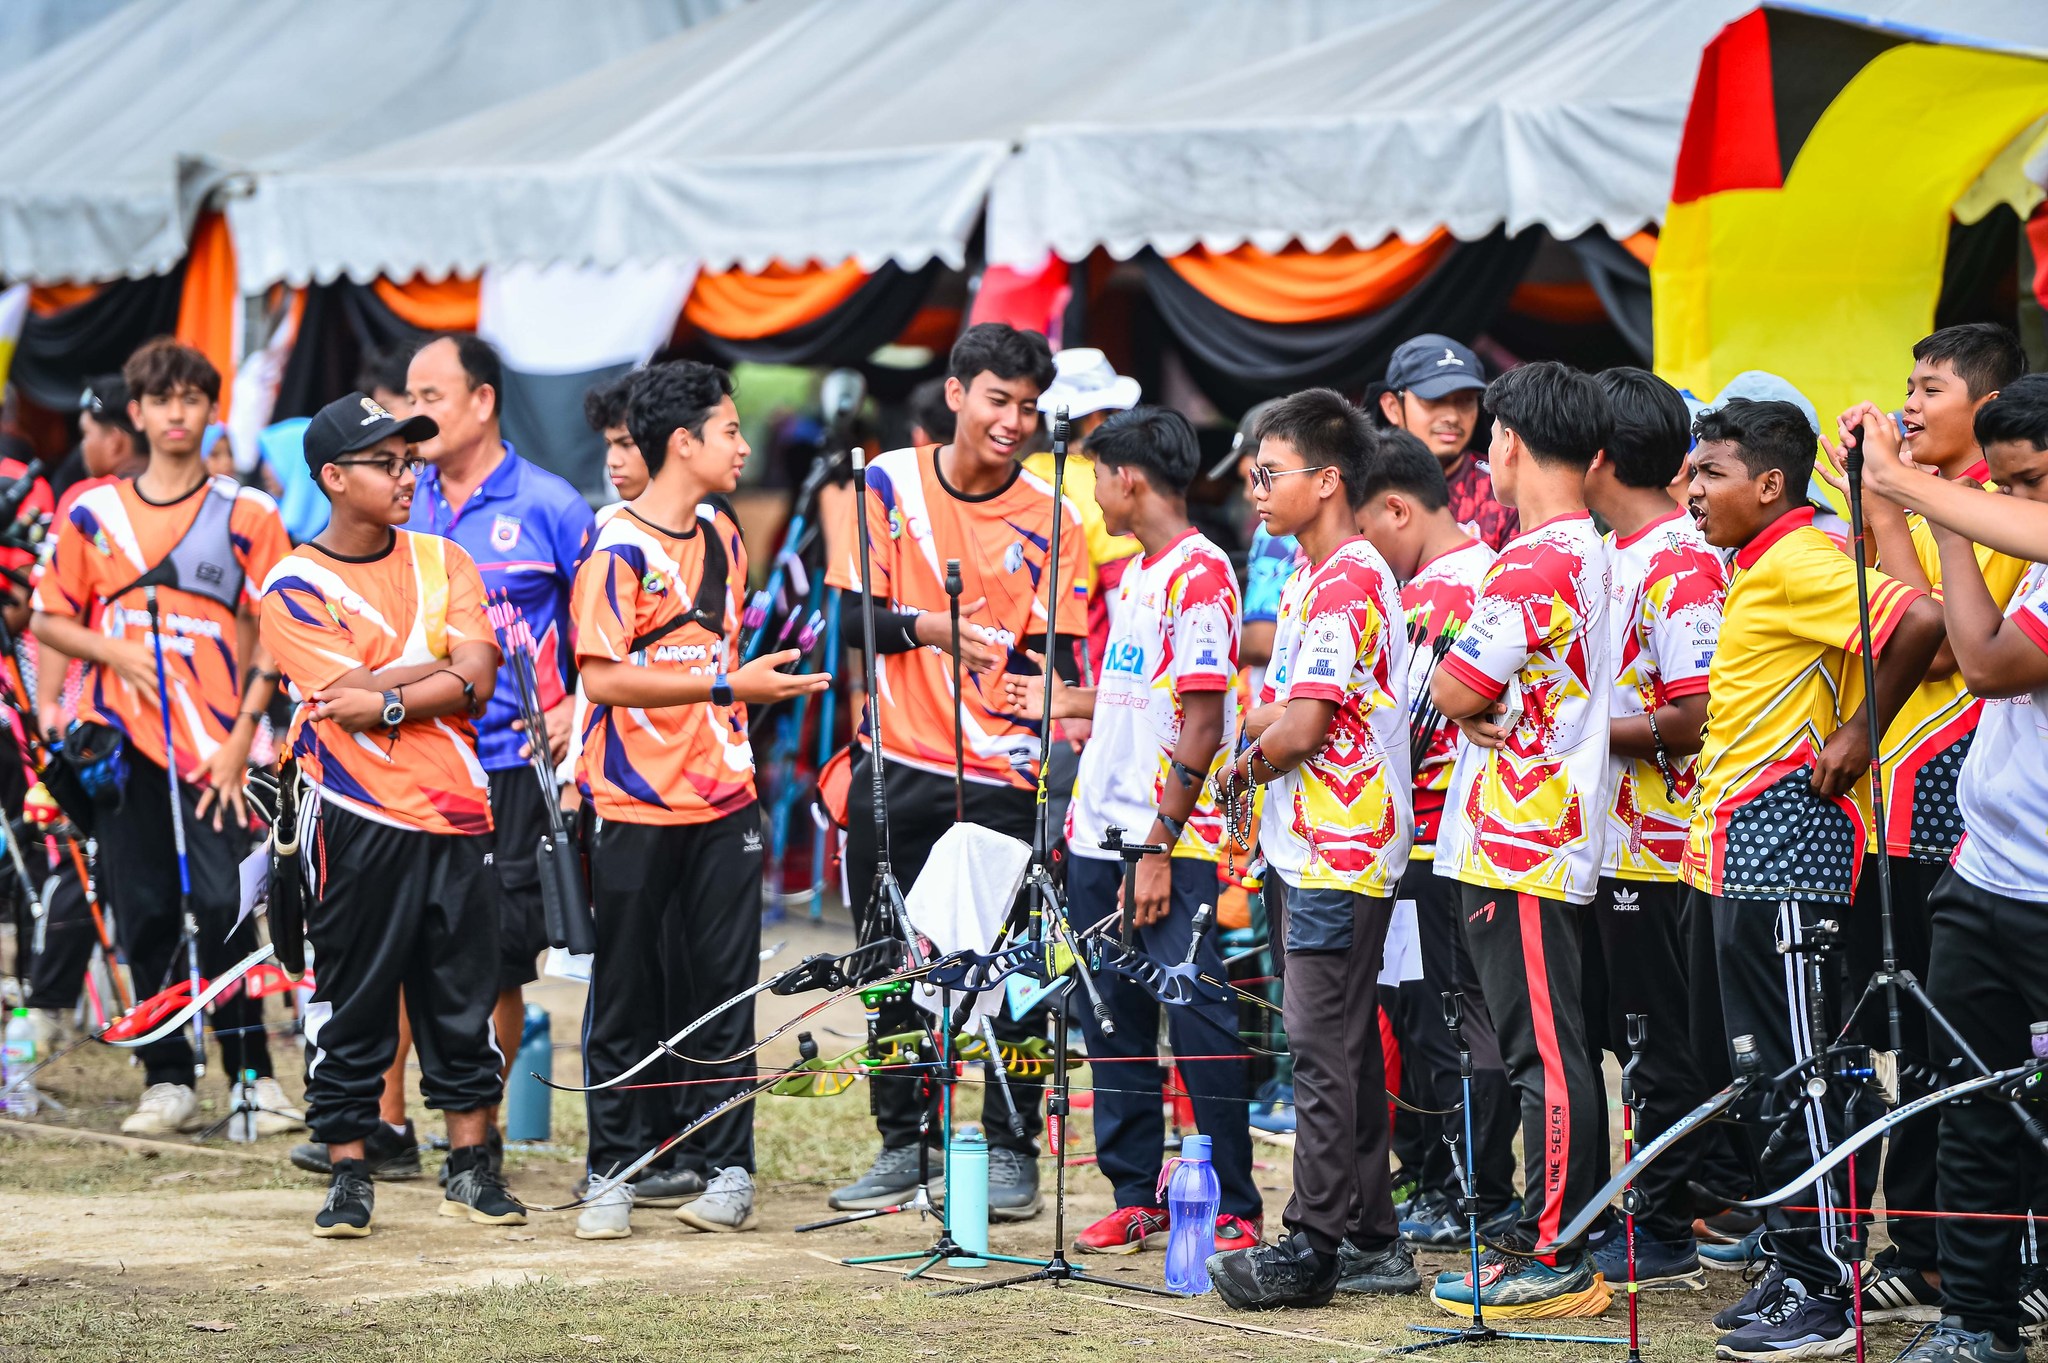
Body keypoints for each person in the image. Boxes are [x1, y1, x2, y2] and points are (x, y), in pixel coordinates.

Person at [1680, 399, 1945, 1360]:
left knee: (1803, 1072)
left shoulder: (1798, 560)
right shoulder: (1762, 564)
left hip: (1784, 849)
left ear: (1770, 484)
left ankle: (1823, 1284)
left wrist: (1861, 734)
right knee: (1770, 1070)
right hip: (1742, 851)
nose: (1691, 490)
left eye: (1708, 472)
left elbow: (1917, 616)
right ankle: (1799, 1262)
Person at [823, 323, 1085, 1221]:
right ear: (956, 393)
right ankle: (906, 1142)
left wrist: (1054, 697)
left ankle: (1010, 1149)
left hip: (1009, 774)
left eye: (1028, 406)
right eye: (997, 399)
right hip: (897, 761)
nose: (1012, 421)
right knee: (890, 963)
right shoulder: (887, 482)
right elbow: (848, 622)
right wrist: (934, 627)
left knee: (1012, 966)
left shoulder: (1058, 517)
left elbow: (1063, 664)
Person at [569, 362, 826, 1240]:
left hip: (725, 800)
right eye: (729, 430)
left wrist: (738, 688)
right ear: (683, 443)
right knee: (626, 989)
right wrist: (727, 685)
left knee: (725, 994)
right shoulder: (613, 549)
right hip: (635, 804)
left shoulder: (724, 535)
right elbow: (601, 677)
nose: (744, 445)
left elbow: (723, 659)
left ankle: (727, 1168)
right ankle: (611, 1169)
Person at [998, 406, 1261, 1257]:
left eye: (1100, 475)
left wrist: (1156, 845)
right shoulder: (1141, 575)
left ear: (1130, 479)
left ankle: (1229, 1198)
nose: (1094, 492)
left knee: (1196, 1014)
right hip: (1096, 835)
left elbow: (1202, 716)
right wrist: (1065, 703)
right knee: (1110, 1019)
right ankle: (1135, 1190)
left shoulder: (1199, 573)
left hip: (1164, 844)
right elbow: (1142, 699)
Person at [258, 390, 517, 1238]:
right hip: (353, 815)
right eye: (387, 462)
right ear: (333, 477)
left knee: (463, 996)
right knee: (353, 994)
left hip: (458, 813)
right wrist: (432, 671)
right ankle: (347, 1170)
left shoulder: (447, 559)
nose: (408, 475)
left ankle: (473, 1168)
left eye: (411, 460)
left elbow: (478, 676)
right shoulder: (294, 585)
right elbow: (345, 701)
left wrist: (395, 690)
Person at [1818, 324, 2029, 1321]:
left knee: (1965, 1056)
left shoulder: (1999, 511)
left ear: (1986, 412)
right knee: (1925, 1044)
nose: (1906, 402)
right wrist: (1877, 498)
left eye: (1927, 386)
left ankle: (1954, 1251)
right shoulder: (1971, 505)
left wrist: (1891, 497)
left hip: (1954, 803)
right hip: (1920, 813)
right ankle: (1929, 1247)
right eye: (1903, 382)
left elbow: (1944, 637)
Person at [31, 337, 292, 1136]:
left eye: (192, 399)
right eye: (162, 399)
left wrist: (242, 733)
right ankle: (166, 1076)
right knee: (142, 911)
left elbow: (275, 633)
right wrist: (106, 658)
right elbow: (48, 615)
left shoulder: (249, 512)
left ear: (211, 410)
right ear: (136, 412)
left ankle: (253, 1079)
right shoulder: (92, 512)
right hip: (120, 749)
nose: (177, 413)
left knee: (225, 906)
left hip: (215, 750)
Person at [1206, 389, 1418, 1310]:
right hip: (1316, 845)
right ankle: (1372, 1232)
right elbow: (1292, 707)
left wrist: (1244, 760)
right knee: (1344, 1047)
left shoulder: (1343, 578)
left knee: (1318, 1046)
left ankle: (1313, 1242)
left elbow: (1299, 731)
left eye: (1268, 473)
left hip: (1340, 847)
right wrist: (1267, 727)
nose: (1255, 490)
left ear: (1328, 480)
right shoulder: (1314, 574)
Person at [1428, 360, 1615, 1318]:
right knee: (1549, 1044)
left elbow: (1455, 688)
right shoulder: (1590, 547)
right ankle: (1559, 1232)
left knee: (1543, 1049)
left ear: (1506, 441)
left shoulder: (1535, 559)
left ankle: (1557, 1252)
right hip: (1534, 829)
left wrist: (1461, 689)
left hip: (1522, 835)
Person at [1886, 375, 2048, 1363]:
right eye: (2009, 485)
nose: (2018, 505)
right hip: (1983, 875)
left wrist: (1926, 502)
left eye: (2030, 483)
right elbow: (1963, 636)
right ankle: (1973, 1321)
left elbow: (1983, 664)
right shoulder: (2022, 549)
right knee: (1967, 1103)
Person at [403, 333, 596, 1164]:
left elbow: (604, 628)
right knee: (404, 944)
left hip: (513, 767)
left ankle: (474, 1141)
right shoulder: (399, 498)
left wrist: (577, 710)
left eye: (431, 395)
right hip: (413, 760)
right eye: (408, 397)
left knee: (497, 961)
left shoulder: (551, 504)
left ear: (482, 400)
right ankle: (383, 1129)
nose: (415, 415)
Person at [1353, 431, 1520, 1251]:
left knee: (1445, 1024)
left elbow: (1402, 738)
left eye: (1364, 529)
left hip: (1432, 850)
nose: (1363, 552)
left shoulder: (1432, 598)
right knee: (1447, 1017)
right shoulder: (1481, 573)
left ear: (1395, 507)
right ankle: (1458, 1184)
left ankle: (1471, 1193)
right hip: (1458, 843)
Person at [1579, 366, 1726, 1290]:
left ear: (1597, 457)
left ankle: (1666, 1224)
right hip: (1604, 844)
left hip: (1663, 849)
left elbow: (1693, 714)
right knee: (1622, 1034)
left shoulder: (1680, 559)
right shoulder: (1611, 553)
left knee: (1657, 1042)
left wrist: (1574, 734)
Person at [1379, 334, 1517, 551]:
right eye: (1435, 399)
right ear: (1392, 407)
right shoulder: (1362, 490)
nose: (1452, 417)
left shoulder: (1503, 489)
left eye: (1465, 400)